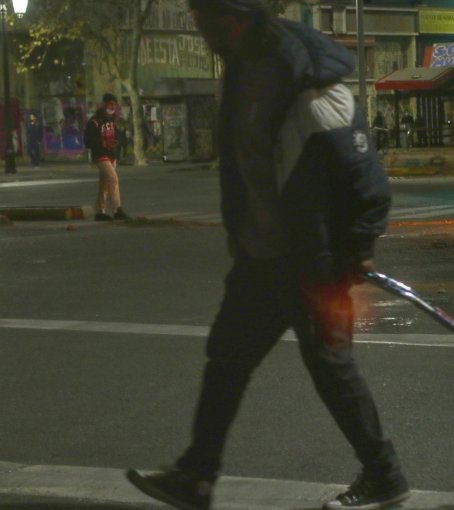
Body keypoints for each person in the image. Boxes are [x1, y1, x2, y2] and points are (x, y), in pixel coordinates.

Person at [124, 2, 409, 510]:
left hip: (313, 263)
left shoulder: (308, 79)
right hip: (261, 259)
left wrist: (357, 248)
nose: (197, 27)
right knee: (226, 361)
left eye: (202, 17)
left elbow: (367, 181)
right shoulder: (240, 70)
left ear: (233, 17)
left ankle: (384, 474)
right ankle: (196, 475)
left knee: (332, 371)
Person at [84, 93, 129, 221]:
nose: (113, 107)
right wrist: (102, 143)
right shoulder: (94, 121)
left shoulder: (112, 120)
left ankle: (99, 210)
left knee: (104, 183)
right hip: (100, 155)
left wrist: (116, 143)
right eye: (110, 104)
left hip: (111, 154)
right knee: (113, 178)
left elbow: (115, 136)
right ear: (104, 104)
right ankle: (117, 209)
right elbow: (88, 141)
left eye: (114, 104)